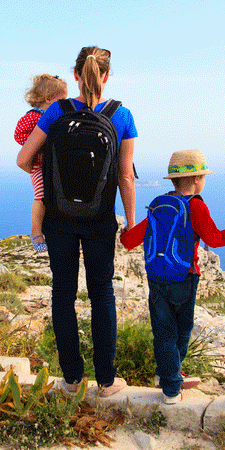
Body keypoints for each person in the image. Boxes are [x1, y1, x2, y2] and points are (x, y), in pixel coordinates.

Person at [16, 46, 136, 397]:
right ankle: (107, 382)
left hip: (59, 219)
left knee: (63, 294)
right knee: (102, 295)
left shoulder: (56, 111)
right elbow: (125, 177)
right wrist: (129, 221)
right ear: (107, 75)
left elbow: (24, 158)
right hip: (99, 219)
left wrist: (49, 174)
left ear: (76, 75)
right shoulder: (121, 114)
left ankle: (71, 379)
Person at [120, 149, 225, 404]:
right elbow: (215, 239)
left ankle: (167, 372)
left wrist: (123, 232)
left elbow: (130, 241)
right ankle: (171, 388)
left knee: (163, 331)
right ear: (198, 180)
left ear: (174, 181)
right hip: (185, 278)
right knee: (182, 330)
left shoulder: (159, 205)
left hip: (156, 278)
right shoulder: (196, 206)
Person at [14, 74, 68, 253]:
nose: (65, 103)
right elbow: (19, 134)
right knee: (41, 195)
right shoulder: (34, 116)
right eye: (63, 99)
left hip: (51, 165)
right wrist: (35, 149)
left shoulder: (51, 116)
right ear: (49, 98)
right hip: (38, 166)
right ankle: (36, 231)